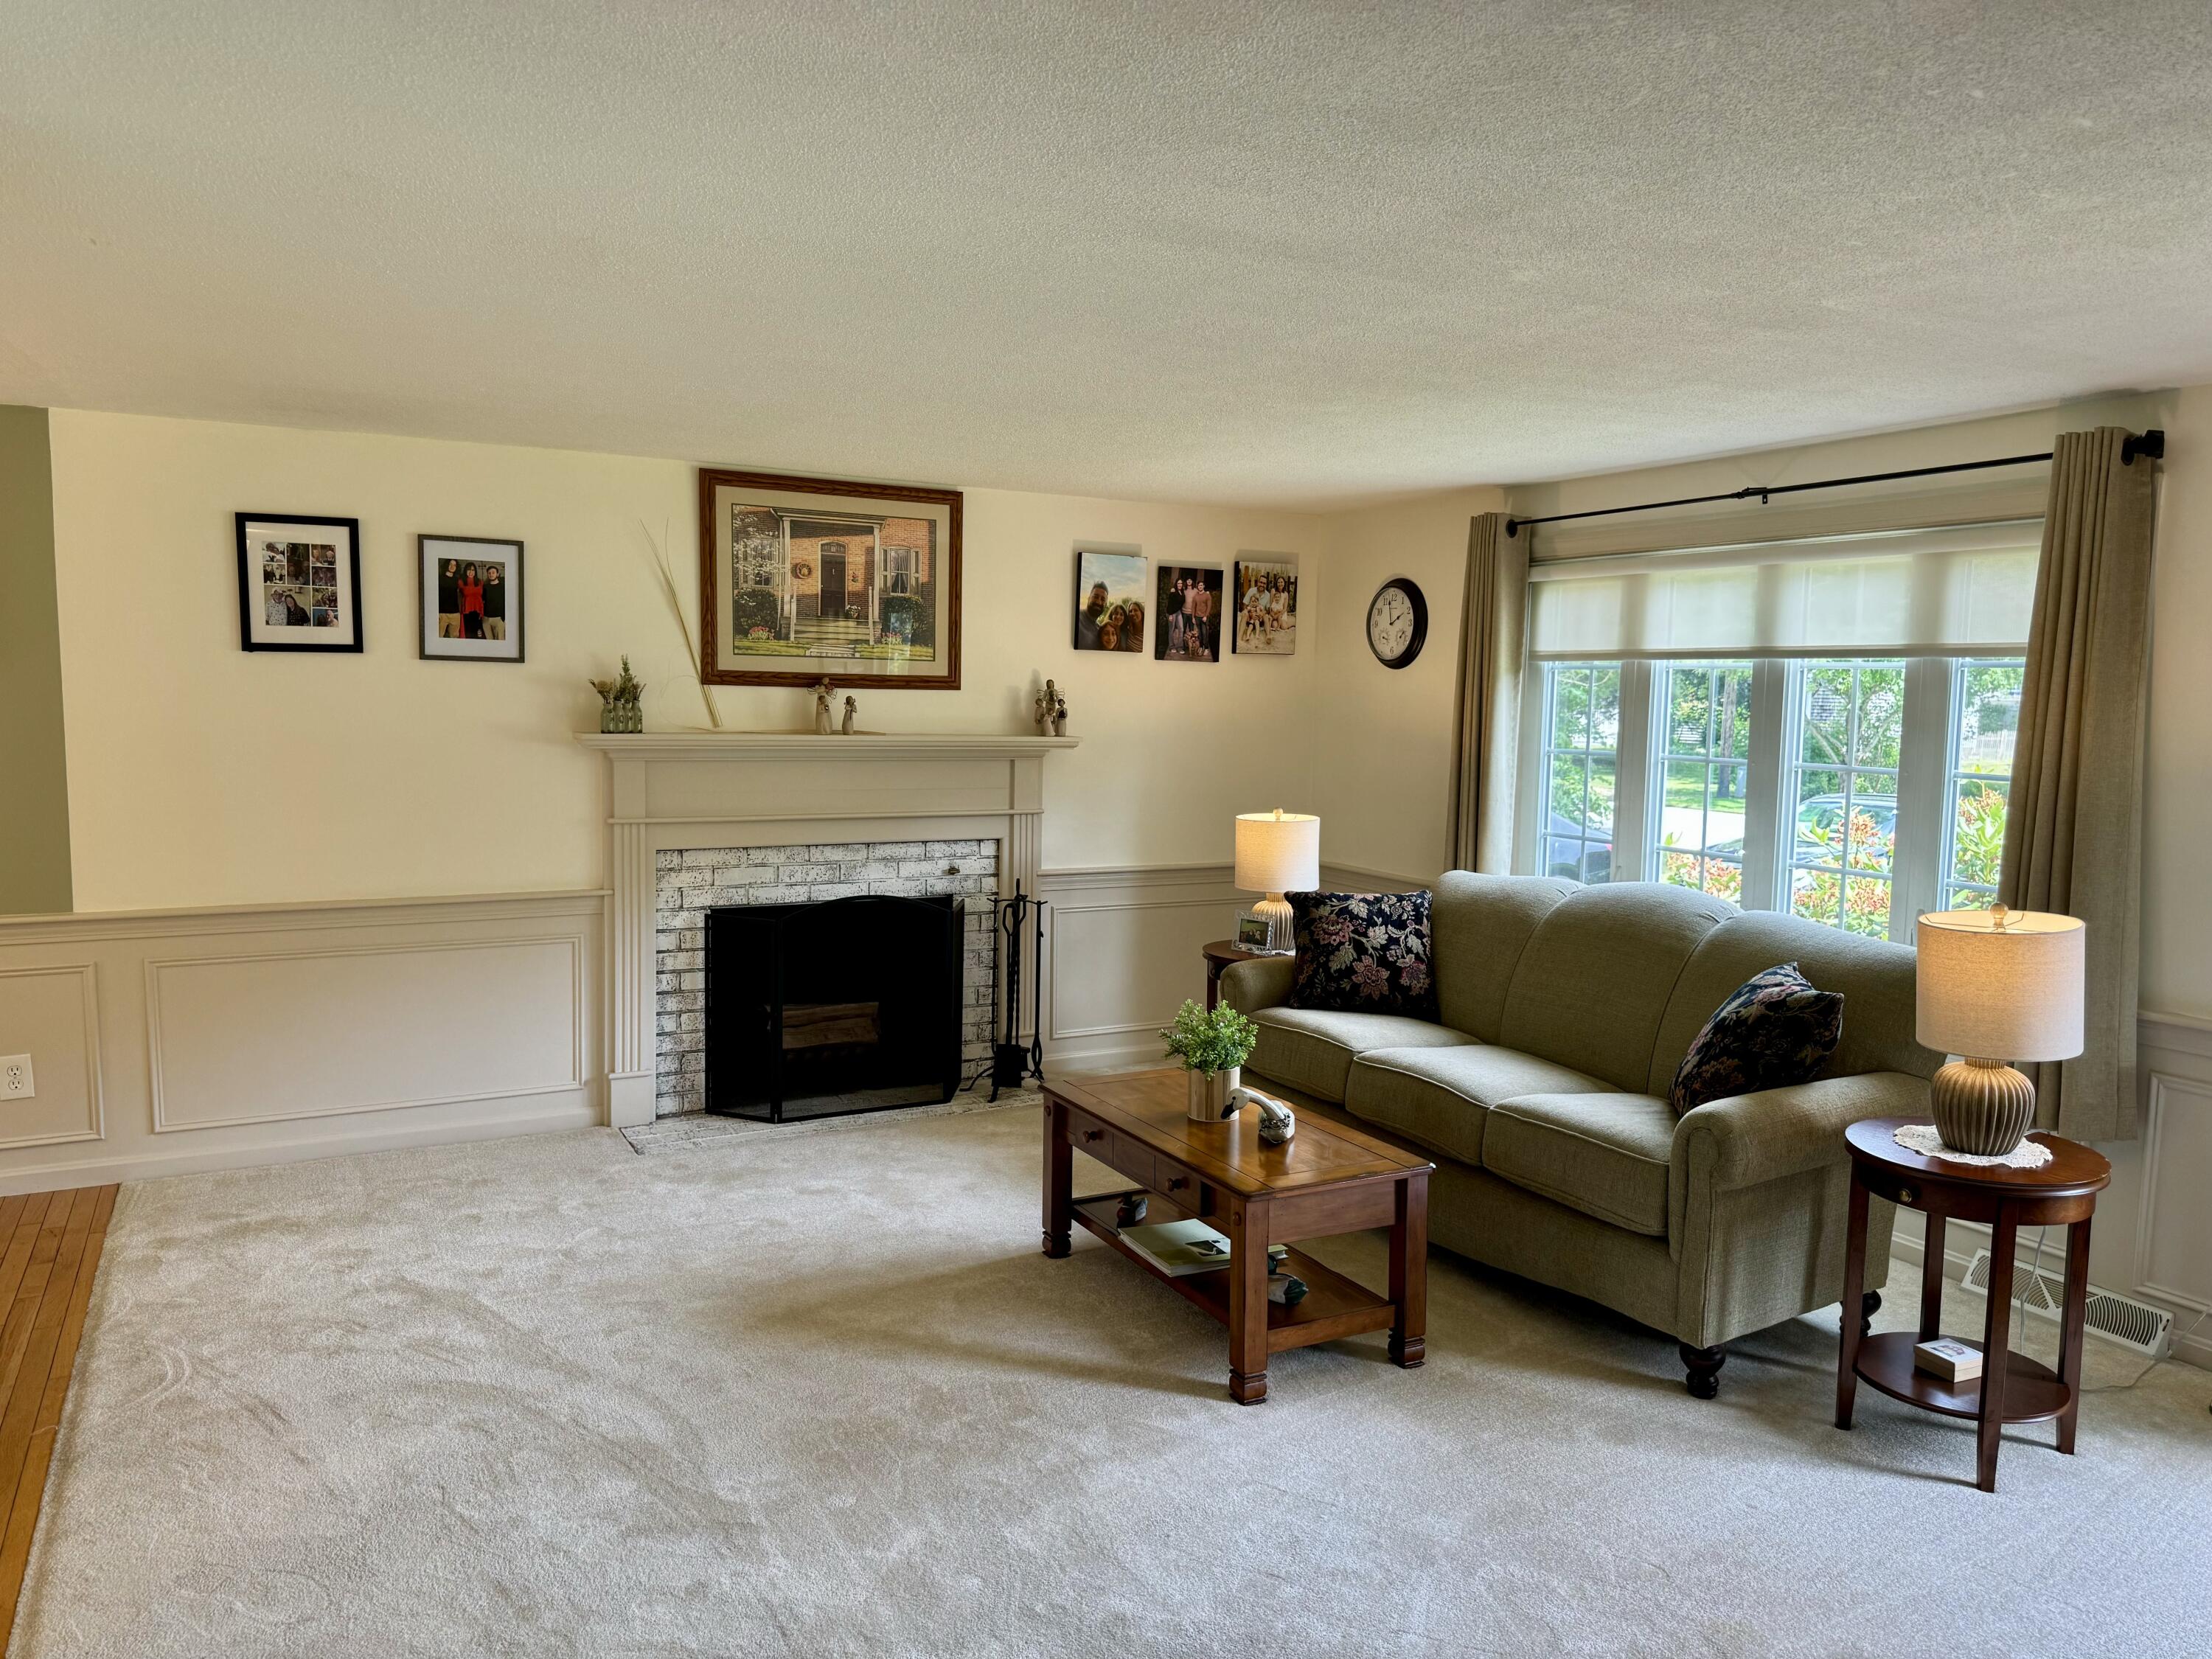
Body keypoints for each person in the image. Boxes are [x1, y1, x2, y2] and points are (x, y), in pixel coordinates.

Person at [1077, 581, 1108, 650]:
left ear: (1106, 605)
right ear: (1088, 598)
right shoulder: (1076, 619)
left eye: (1103, 599)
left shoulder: (1101, 630)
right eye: (1095, 597)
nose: (1098, 602)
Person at [459, 561, 484, 639]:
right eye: (469, 570)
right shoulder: (461, 582)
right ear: (465, 571)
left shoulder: (480, 582)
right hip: (467, 609)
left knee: (478, 634)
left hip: (478, 610)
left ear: (475, 571)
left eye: (473, 570)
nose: (471, 572)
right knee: (469, 632)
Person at [437, 559, 461, 638]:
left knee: (454, 639)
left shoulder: (457, 580)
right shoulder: (439, 579)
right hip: (442, 613)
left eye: (454, 565)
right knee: (439, 637)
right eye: (450, 564)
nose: (452, 567)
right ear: (446, 565)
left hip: (455, 614)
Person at [482, 564, 506, 641]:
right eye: (489, 573)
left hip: (499, 619)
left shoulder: (503, 587)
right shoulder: (485, 587)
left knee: (500, 641)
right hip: (486, 619)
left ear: (497, 574)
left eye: (493, 572)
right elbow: (483, 601)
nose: (491, 574)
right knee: (489, 642)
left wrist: (503, 618)